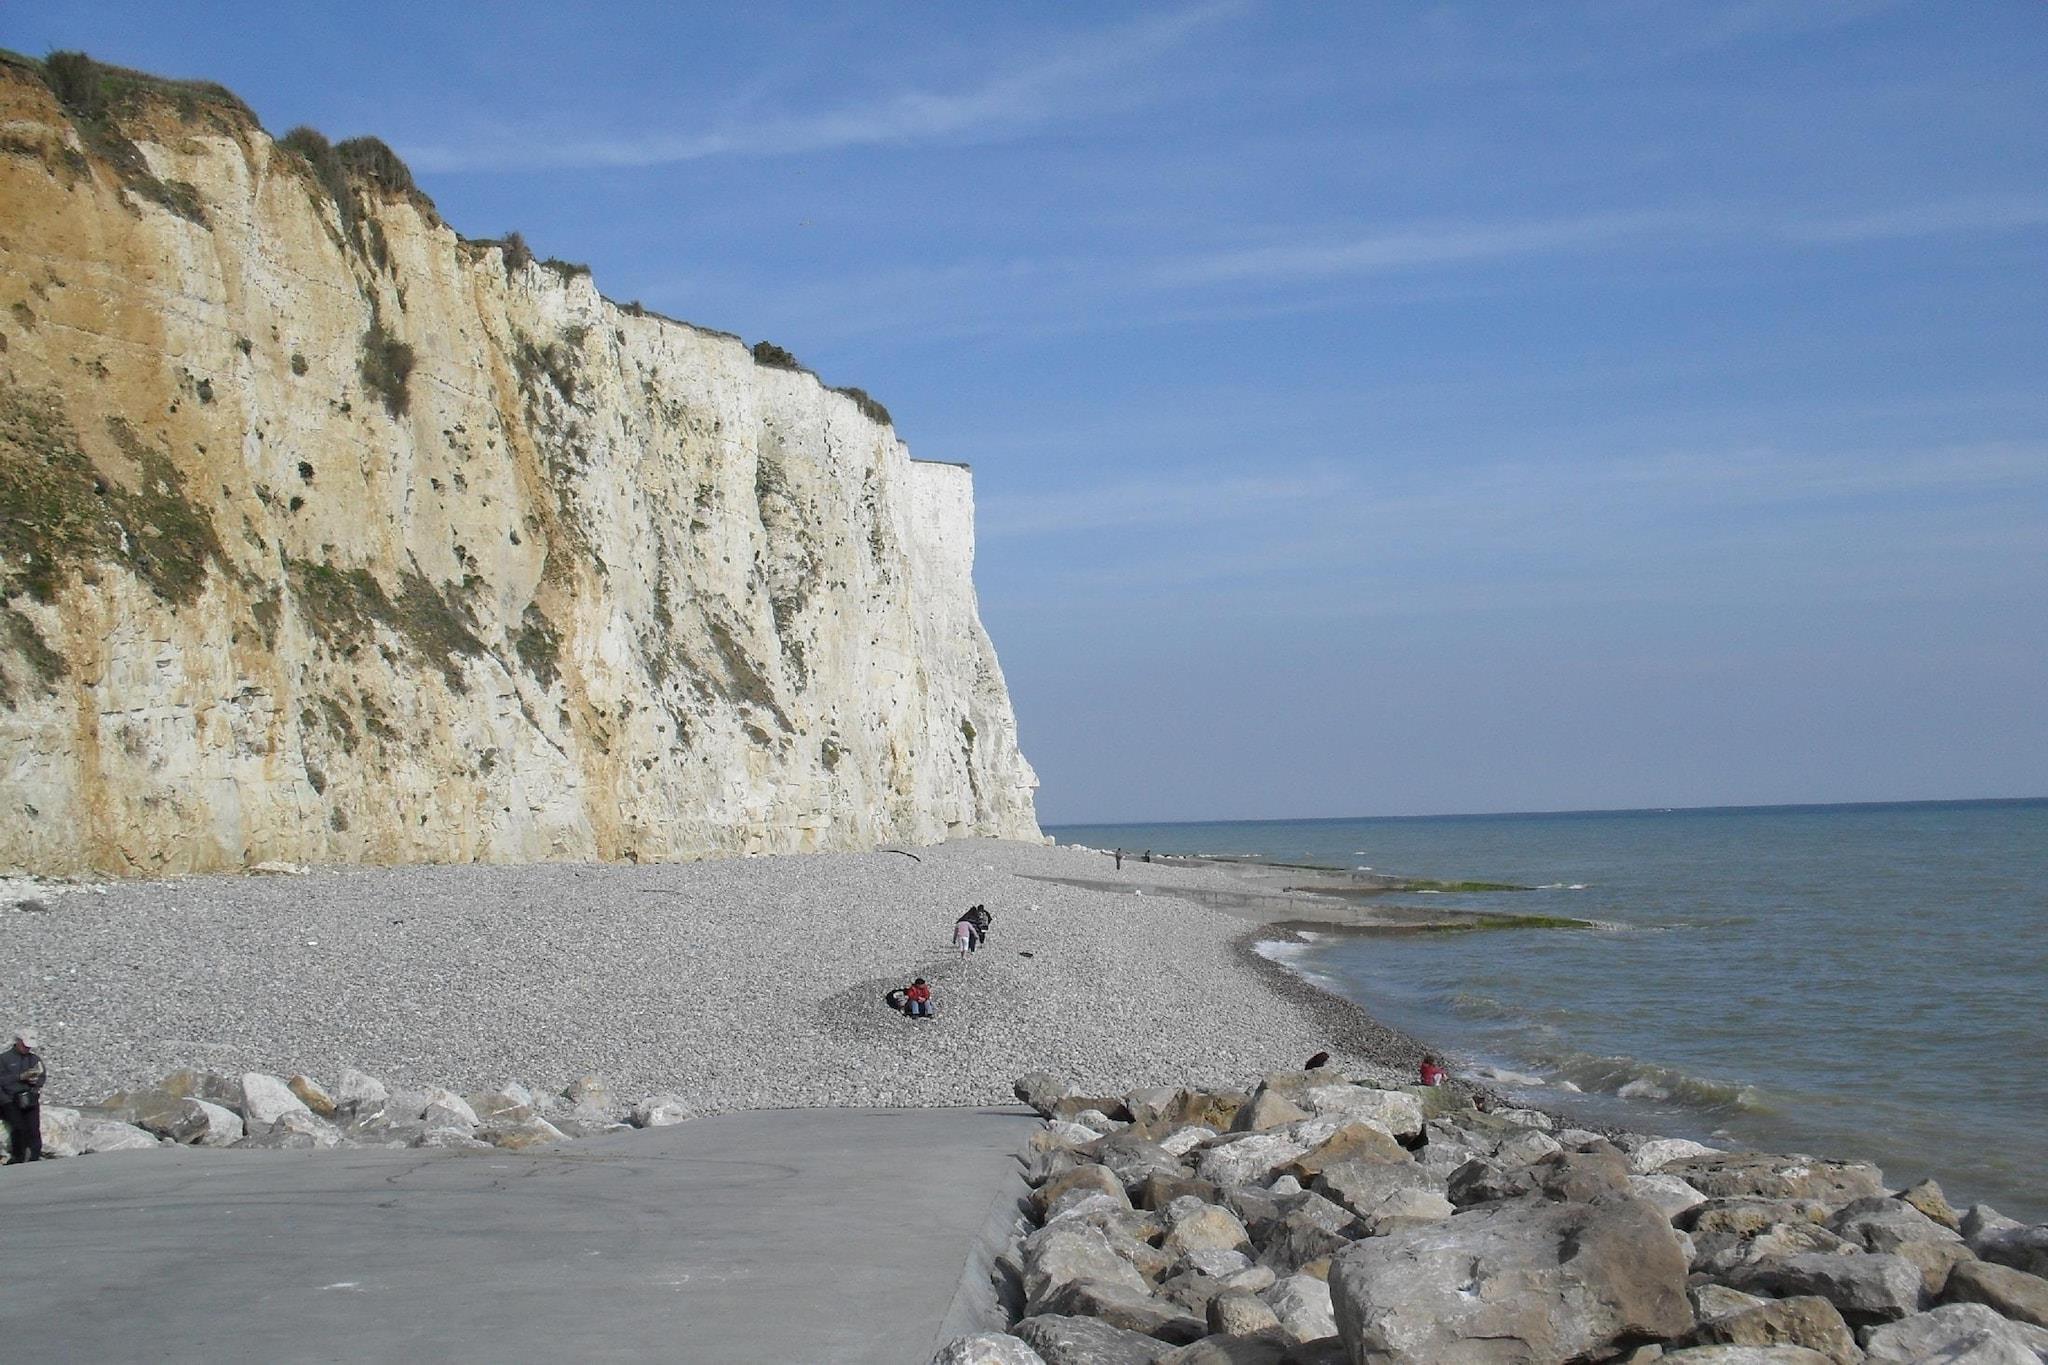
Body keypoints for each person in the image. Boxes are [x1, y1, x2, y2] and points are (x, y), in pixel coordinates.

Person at [1, 1028, 46, 1164]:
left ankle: (34, 1157)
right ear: (18, 1042)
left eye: (29, 1047)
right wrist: (20, 1077)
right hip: (9, 1100)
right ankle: (18, 1157)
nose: (27, 1049)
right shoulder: (4, 1059)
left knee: (34, 1129)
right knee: (19, 1128)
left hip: (29, 1098)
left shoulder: (34, 1059)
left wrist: (35, 1085)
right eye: (25, 1046)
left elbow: (42, 1076)